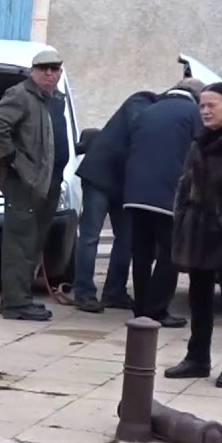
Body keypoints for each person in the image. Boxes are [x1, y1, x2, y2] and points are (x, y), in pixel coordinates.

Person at [0, 48, 67, 322]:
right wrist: (14, 159)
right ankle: (15, 302)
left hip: (48, 182)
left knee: (33, 243)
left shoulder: (55, 100)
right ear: (33, 72)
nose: (49, 74)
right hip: (24, 183)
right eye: (44, 69)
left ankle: (23, 297)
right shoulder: (20, 95)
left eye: (55, 69)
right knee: (19, 242)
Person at [122, 78, 203, 329]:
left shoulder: (148, 110)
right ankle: (157, 310)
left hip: (135, 194)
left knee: (142, 253)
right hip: (168, 195)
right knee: (171, 254)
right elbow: (199, 152)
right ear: (196, 97)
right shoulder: (193, 113)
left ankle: (140, 308)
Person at [166, 82, 222, 387]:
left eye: (211, 105)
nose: (205, 111)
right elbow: (185, 183)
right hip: (199, 232)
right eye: (201, 105)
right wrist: (181, 219)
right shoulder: (200, 141)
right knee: (199, 298)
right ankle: (197, 359)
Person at [71, 90, 155, 312]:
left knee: (126, 239)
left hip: (125, 183)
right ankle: (84, 293)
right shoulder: (142, 99)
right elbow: (138, 125)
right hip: (99, 177)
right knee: (90, 236)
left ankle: (114, 292)